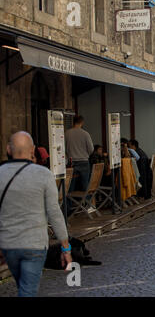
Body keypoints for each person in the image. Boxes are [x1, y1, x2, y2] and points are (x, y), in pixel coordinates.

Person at [0, 132, 72, 297]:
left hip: (9, 244)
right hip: (35, 244)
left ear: (8, 149)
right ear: (32, 150)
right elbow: (54, 212)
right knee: (28, 290)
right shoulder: (43, 174)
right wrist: (65, 247)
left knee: (24, 287)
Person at [65, 116, 94, 194]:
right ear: (82, 122)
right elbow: (91, 149)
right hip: (84, 162)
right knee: (85, 185)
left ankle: (69, 205)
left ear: (73, 122)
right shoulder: (85, 134)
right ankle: (87, 205)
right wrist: (85, 154)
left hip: (71, 162)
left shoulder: (67, 133)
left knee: (70, 186)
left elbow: (63, 148)